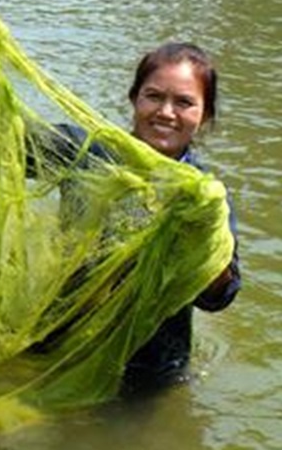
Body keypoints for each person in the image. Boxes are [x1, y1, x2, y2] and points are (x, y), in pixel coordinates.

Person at [28, 42, 241, 395]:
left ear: (204, 116)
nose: (166, 112)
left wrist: (205, 235)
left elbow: (218, 297)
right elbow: (2, 143)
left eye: (185, 102)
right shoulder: (86, 153)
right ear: (134, 99)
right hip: (60, 335)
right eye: (153, 96)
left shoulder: (206, 197)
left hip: (150, 364)